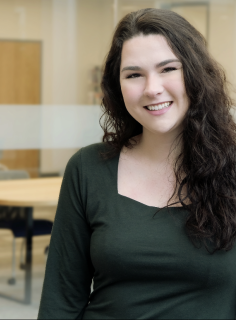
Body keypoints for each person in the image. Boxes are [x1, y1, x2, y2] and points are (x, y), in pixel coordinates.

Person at [38, 8, 236, 319]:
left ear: (196, 73)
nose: (151, 88)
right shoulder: (88, 168)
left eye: (168, 69)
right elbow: (60, 302)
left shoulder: (232, 169)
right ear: (117, 87)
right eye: (133, 74)